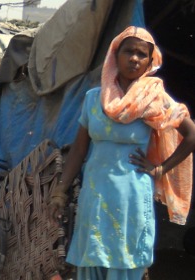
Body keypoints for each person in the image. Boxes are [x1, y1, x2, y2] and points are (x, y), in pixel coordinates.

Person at [49, 26, 195, 279]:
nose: (135, 59)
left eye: (142, 54)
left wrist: (161, 168)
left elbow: (191, 135)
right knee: (91, 261)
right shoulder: (94, 99)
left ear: (151, 61)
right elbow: (79, 149)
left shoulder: (154, 100)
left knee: (126, 264)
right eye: (129, 51)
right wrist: (60, 191)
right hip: (94, 197)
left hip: (132, 199)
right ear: (115, 55)